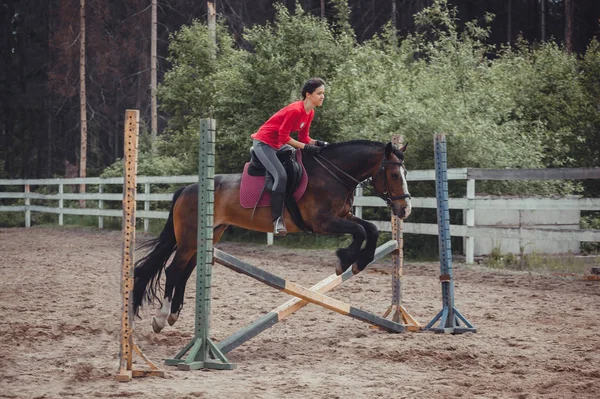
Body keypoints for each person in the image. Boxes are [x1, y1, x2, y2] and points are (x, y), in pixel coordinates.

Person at [251, 77, 328, 236]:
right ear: (308, 94)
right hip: (264, 144)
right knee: (281, 175)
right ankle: (277, 220)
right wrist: (306, 147)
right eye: (319, 93)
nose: (322, 97)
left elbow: (304, 138)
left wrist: (320, 143)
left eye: (323, 94)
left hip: (278, 144)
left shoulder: (310, 112)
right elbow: (284, 137)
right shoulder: (295, 110)